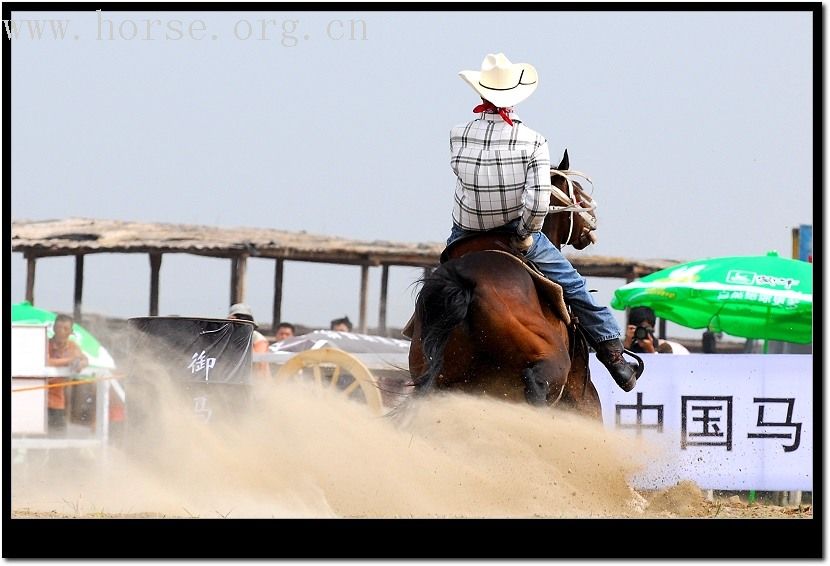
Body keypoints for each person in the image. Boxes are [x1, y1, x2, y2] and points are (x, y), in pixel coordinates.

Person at [447, 52, 638, 391]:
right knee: (575, 286)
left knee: (440, 282)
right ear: (517, 96)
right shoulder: (533, 141)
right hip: (512, 233)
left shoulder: (457, 134)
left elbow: (465, 179)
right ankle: (614, 354)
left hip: (465, 232)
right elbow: (537, 202)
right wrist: (523, 236)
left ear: (481, 94)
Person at [45, 314, 89, 434]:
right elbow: (45, 362)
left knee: (58, 438)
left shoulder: (73, 347)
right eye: (58, 328)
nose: (61, 332)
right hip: (38, 400)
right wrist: (69, 360)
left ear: (71, 332)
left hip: (58, 401)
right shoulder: (45, 344)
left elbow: (85, 359)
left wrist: (81, 363)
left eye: (65, 329)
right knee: (35, 440)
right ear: (53, 329)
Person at [623, 306, 689, 354]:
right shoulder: (630, 350)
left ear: (653, 327)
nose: (641, 332)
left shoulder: (664, 347)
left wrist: (650, 351)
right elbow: (621, 369)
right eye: (638, 329)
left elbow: (661, 369)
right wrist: (627, 345)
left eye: (645, 328)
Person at [228, 303, 270, 377]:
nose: (241, 322)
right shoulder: (226, 337)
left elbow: (257, 360)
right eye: (238, 318)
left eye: (244, 319)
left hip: (257, 379)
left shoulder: (257, 338)